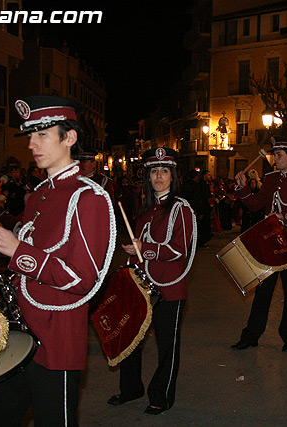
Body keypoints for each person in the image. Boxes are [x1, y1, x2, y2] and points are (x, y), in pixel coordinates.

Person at [0, 95, 116, 426]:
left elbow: (82, 280)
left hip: (57, 338)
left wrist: (17, 251)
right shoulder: (38, 193)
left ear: (70, 137)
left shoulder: (89, 198)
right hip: (19, 332)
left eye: (42, 134)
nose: (32, 145)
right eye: (30, 136)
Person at [107, 147, 197, 415]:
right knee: (130, 338)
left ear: (173, 176)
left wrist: (143, 248)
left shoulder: (182, 209)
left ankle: (161, 395)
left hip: (170, 287)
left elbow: (180, 249)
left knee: (167, 346)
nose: (159, 176)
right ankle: (131, 388)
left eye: (164, 171)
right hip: (142, 285)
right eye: (154, 171)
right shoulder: (145, 209)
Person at [231, 138, 287, 352]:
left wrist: (283, 215)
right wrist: (243, 189)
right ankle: (251, 335)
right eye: (274, 154)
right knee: (262, 292)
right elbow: (255, 205)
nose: (275, 159)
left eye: (279, 155)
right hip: (269, 245)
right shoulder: (270, 178)